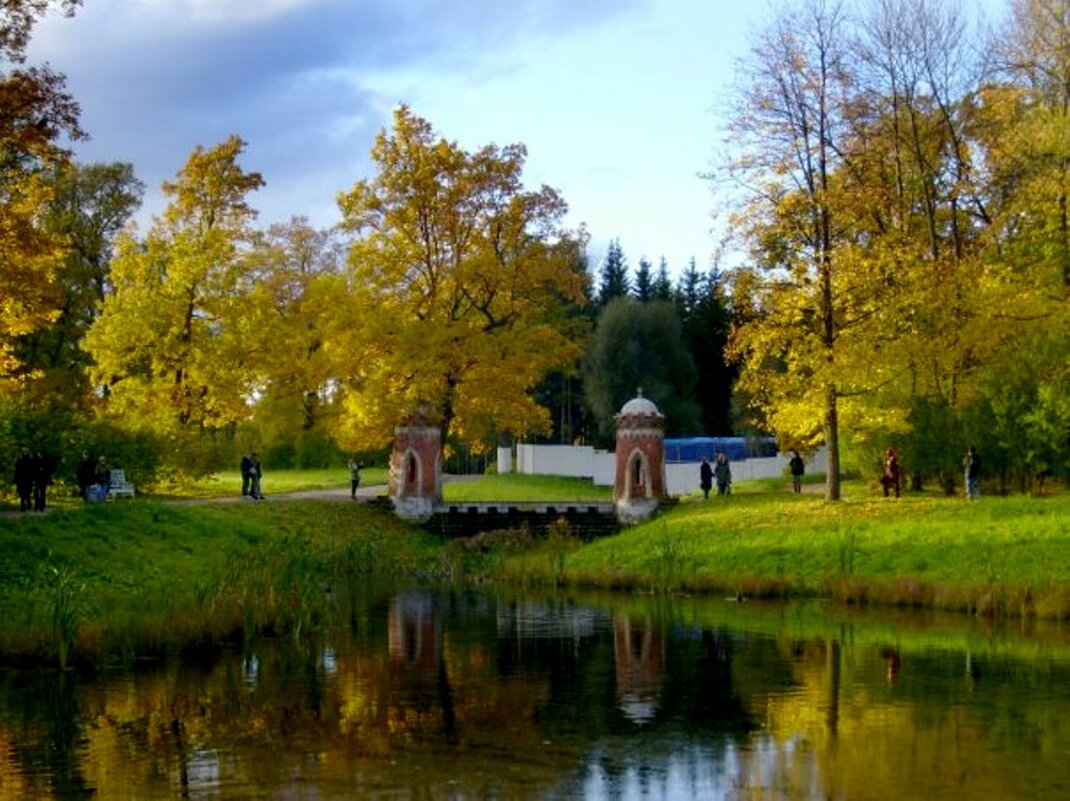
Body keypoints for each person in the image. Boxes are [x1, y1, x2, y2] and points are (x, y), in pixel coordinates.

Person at [13, 448, 34, 512]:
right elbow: (16, 471)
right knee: (22, 493)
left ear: (28, 452)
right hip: (21, 480)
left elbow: (32, 471)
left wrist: (33, 479)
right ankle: (23, 506)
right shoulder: (19, 460)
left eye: (26, 452)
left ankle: (28, 504)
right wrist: (15, 480)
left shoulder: (30, 460)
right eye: (24, 452)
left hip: (28, 480)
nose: (25, 453)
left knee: (26, 493)